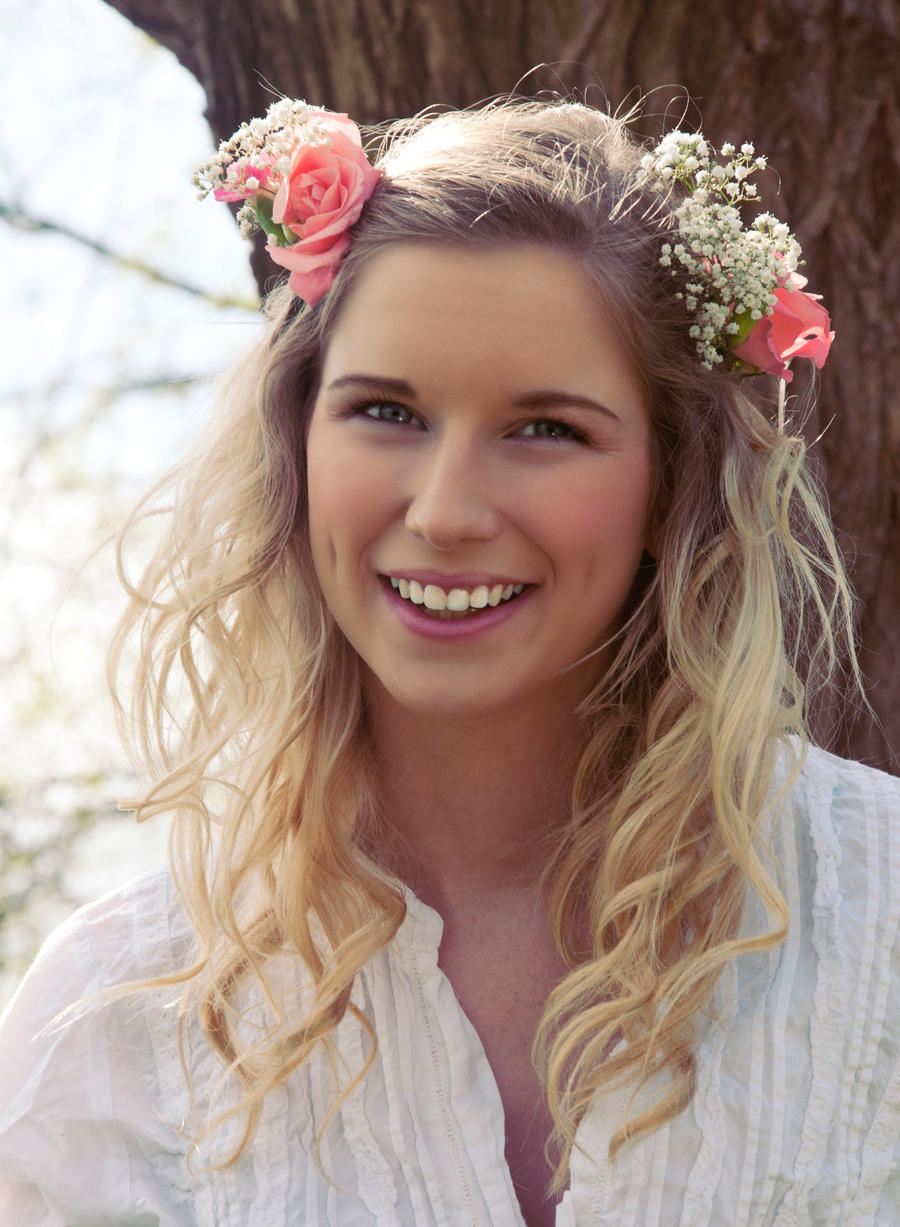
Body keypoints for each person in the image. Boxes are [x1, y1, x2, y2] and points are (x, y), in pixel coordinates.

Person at [0, 96, 898, 1227]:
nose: (446, 511)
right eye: (386, 411)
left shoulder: (881, 913)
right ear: (298, 445)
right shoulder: (115, 1019)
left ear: (671, 487)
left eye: (545, 430)